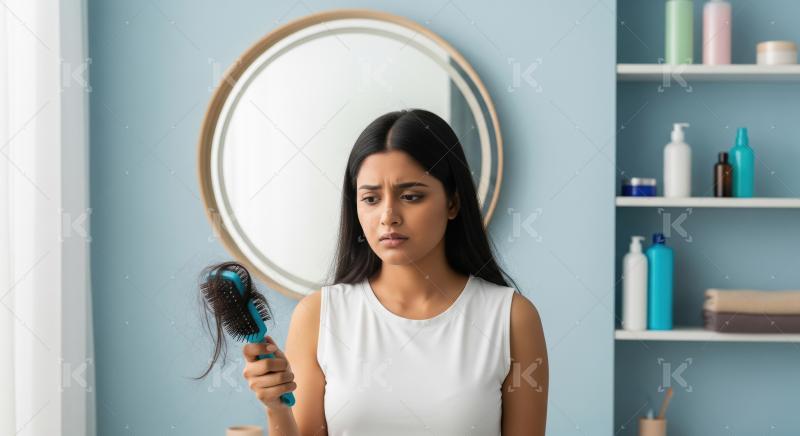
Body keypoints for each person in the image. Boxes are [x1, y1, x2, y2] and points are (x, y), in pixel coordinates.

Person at [241, 109, 548, 435]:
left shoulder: (512, 319)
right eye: (371, 199)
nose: (388, 216)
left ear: (453, 203)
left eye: (411, 196)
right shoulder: (317, 316)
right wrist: (276, 408)